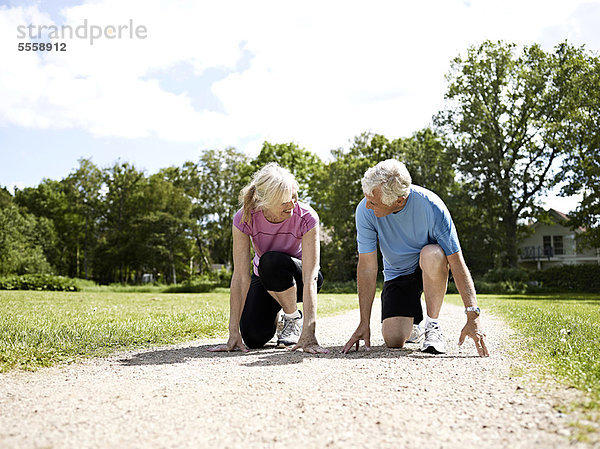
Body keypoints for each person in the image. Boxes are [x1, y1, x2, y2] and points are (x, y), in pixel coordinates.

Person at [342, 159, 489, 357]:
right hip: (399, 273)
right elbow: (367, 266)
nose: (367, 205)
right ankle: (415, 324)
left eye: (373, 202)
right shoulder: (365, 211)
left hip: (430, 266)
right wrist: (363, 322)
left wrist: (473, 316)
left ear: (399, 200)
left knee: (433, 253)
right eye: (367, 198)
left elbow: (456, 261)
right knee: (393, 339)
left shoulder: (432, 206)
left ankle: (433, 326)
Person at [209, 163, 328, 354]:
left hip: (300, 278)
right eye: (284, 202)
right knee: (253, 338)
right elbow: (240, 277)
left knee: (271, 261)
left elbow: (311, 276)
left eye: (294, 197)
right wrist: (233, 333)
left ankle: (292, 318)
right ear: (265, 202)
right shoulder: (244, 218)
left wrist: (309, 333)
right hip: (264, 278)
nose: (292, 204)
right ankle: (278, 314)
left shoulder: (307, 217)